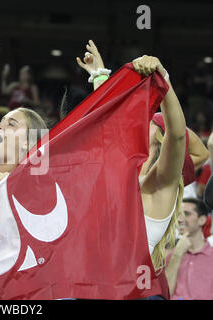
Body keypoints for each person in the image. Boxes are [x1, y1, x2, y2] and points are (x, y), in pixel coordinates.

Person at [76, 40, 190, 275]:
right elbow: (110, 127)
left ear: (159, 139)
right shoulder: (118, 177)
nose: (136, 120)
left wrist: (162, 77)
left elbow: (177, 136)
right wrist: (99, 76)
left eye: (147, 118)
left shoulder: (156, 184)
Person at [165, 198, 213, 300]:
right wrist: (177, 254)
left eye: (186, 214)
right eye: (178, 215)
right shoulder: (171, 256)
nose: (180, 219)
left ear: (202, 220)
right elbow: (166, 294)